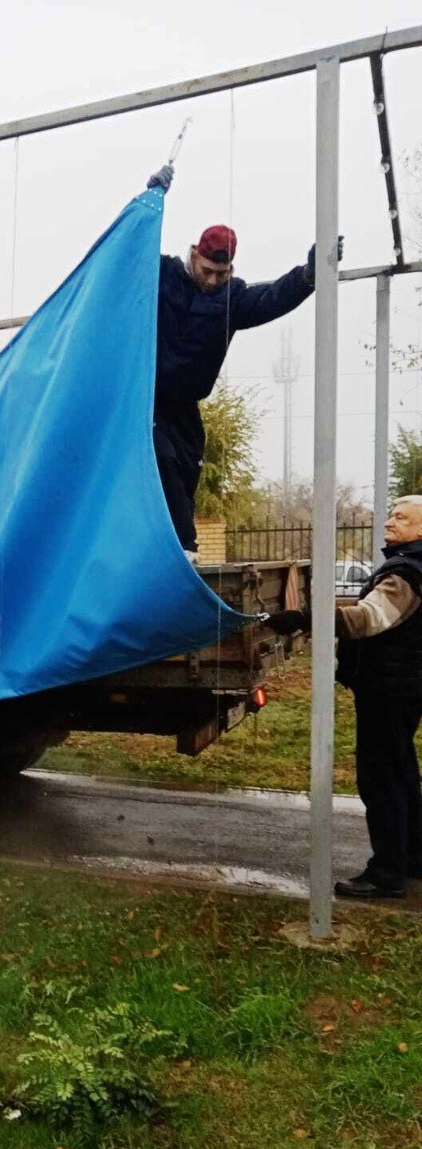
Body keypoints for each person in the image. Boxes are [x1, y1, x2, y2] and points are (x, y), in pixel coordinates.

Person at [146, 163, 341, 559]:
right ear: (194, 255)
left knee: (186, 468)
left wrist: (308, 274)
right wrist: (148, 201)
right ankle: (183, 547)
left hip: (186, 406)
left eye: (221, 273)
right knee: (160, 456)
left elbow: (273, 298)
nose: (213, 280)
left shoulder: (230, 300)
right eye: (207, 271)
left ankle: (179, 543)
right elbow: (127, 251)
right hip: (148, 398)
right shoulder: (161, 274)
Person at [269, 496, 422, 900]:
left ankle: (387, 873)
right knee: (402, 772)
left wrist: (308, 618)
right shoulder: (409, 566)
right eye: (391, 514)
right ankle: (413, 858)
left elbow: (370, 618)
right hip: (403, 688)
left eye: (401, 517)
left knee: (381, 779)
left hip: (389, 690)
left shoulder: (407, 573)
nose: (389, 521)